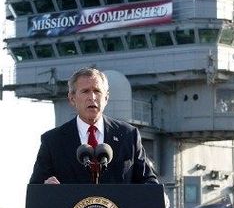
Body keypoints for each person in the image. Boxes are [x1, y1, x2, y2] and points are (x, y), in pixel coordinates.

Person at [29, 68, 159, 184]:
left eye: (97, 91)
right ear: (72, 98)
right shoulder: (52, 141)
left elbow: (148, 180)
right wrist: (46, 187)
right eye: (85, 91)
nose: (92, 97)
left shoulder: (128, 135)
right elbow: (36, 189)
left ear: (106, 98)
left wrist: (157, 195)